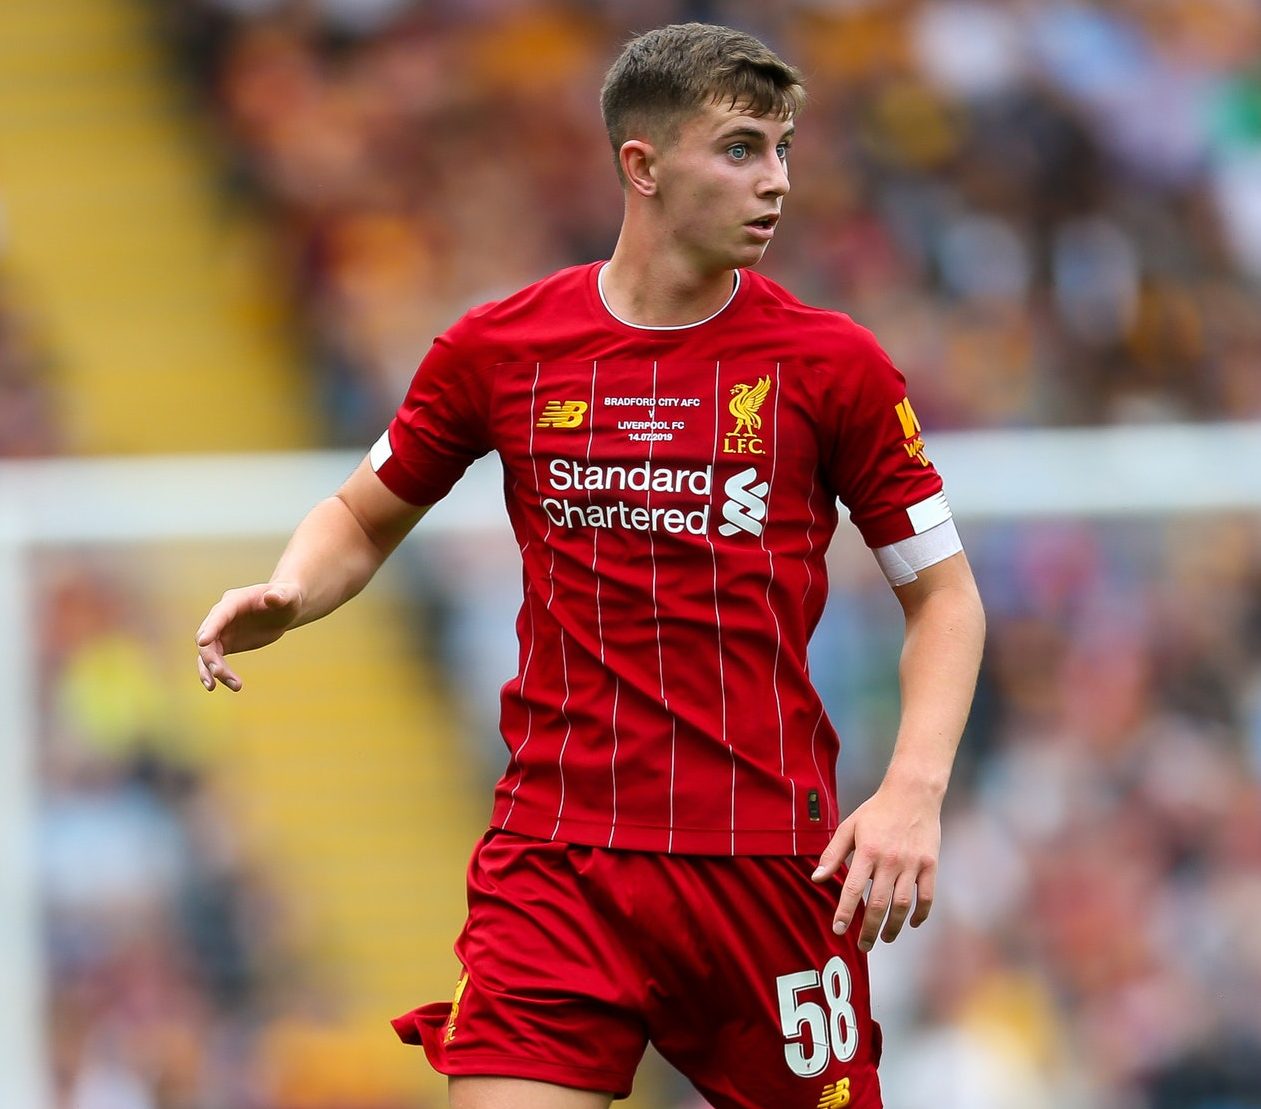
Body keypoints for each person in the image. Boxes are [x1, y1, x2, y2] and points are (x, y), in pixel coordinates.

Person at [195, 22, 985, 1109]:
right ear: (641, 165)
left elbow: (944, 596)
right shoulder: (500, 349)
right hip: (557, 858)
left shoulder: (831, 366)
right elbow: (362, 517)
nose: (776, 180)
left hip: (761, 862)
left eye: (783, 150)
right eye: (741, 149)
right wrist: (292, 589)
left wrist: (911, 791)